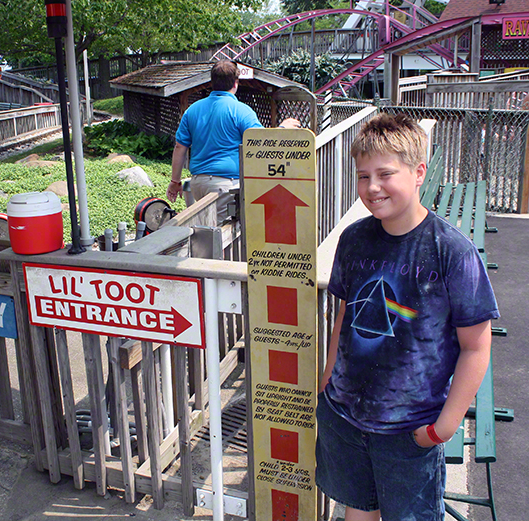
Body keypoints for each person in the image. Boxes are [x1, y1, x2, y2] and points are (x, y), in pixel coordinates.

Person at [316, 113, 499, 521]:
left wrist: (444, 427)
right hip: (345, 416)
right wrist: (328, 373)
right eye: (363, 176)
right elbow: (346, 310)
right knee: (357, 511)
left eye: (385, 174)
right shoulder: (353, 238)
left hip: (410, 430)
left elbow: (476, 345)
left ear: (419, 172)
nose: (372, 187)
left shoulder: (452, 251)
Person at [165, 59, 299, 223]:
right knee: (222, 237)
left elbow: (180, 147)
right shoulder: (241, 111)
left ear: (211, 82)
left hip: (198, 183)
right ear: (236, 83)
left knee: (202, 235)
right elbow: (260, 142)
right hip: (225, 185)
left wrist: (175, 181)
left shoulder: (192, 110)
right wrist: (283, 128)